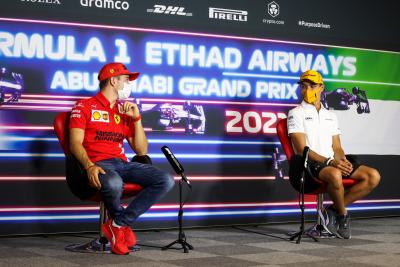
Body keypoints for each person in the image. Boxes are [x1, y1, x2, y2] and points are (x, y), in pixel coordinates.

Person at [69, 62, 175, 254]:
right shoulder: (84, 106)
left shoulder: (123, 110)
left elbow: (141, 150)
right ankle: (119, 227)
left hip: (123, 163)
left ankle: (118, 224)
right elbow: (74, 143)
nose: (129, 84)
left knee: (165, 179)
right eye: (126, 80)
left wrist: (136, 119)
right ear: (113, 81)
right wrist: (89, 166)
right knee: (115, 183)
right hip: (98, 165)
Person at [287, 70, 380, 239]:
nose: (307, 90)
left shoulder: (330, 115)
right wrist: (330, 162)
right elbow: (301, 150)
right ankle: (343, 216)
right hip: (309, 164)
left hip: (331, 162)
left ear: (321, 87)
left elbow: (336, 146)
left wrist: (342, 159)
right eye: (304, 86)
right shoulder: (295, 113)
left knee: (372, 176)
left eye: (313, 86)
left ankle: (330, 212)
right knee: (335, 174)